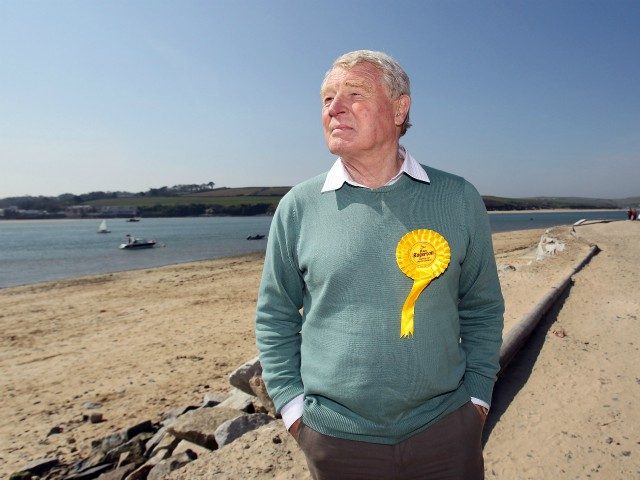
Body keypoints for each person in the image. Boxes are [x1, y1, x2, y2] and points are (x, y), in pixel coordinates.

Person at [256, 50, 504, 479]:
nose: (334, 108)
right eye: (327, 98)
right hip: (336, 442)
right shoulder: (298, 206)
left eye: (354, 94)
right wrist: (295, 411)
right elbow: (275, 315)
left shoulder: (458, 198)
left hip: (446, 431)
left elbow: (482, 306)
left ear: (399, 107)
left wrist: (478, 398)